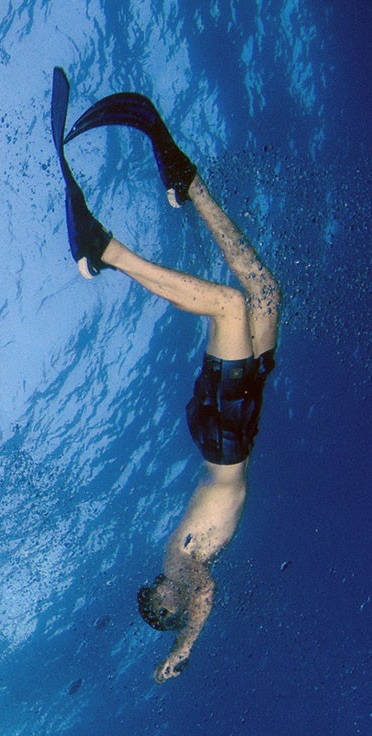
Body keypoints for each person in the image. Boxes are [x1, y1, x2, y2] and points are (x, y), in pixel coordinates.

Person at [51, 68, 281, 682]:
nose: (175, 603)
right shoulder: (182, 562)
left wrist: (181, 650)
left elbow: (202, 599)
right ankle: (189, 183)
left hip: (226, 439)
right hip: (233, 432)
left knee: (229, 306)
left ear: (163, 601)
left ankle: (108, 252)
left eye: (166, 608)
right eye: (170, 611)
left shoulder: (181, 568)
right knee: (262, 297)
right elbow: (202, 595)